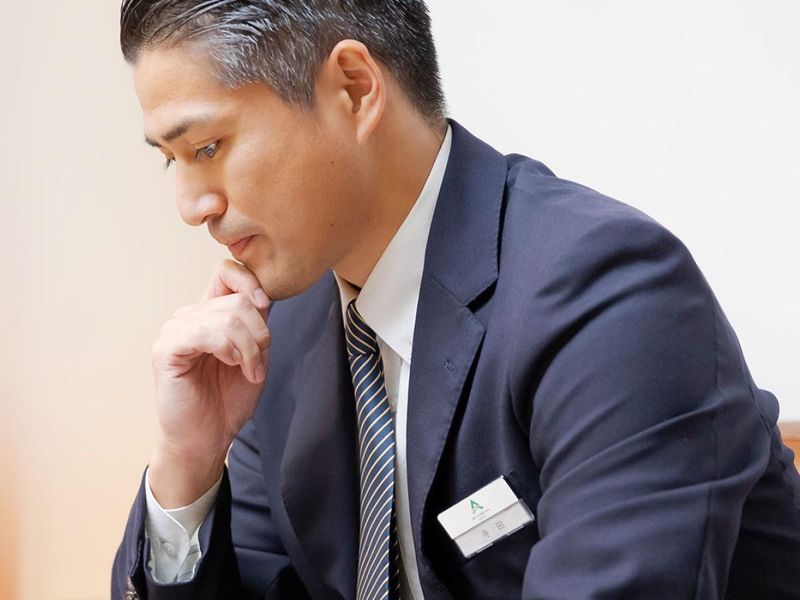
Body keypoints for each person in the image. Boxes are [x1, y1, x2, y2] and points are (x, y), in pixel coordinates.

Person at [111, 1, 800, 599]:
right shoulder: (280, 337)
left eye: (207, 146)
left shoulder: (608, 294)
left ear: (354, 88)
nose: (191, 206)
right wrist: (188, 465)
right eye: (172, 159)